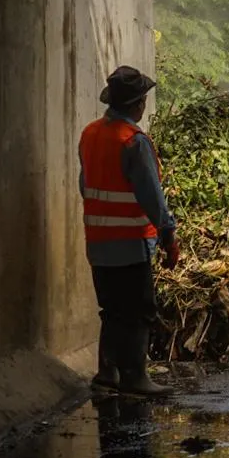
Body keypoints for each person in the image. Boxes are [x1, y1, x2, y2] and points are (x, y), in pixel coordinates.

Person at [79, 66, 179, 397]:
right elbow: (151, 196)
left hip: (98, 243)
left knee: (111, 309)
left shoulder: (91, 134)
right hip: (131, 244)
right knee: (138, 310)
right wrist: (168, 234)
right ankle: (136, 376)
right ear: (137, 104)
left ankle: (107, 373)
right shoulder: (133, 142)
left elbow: (86, 186)